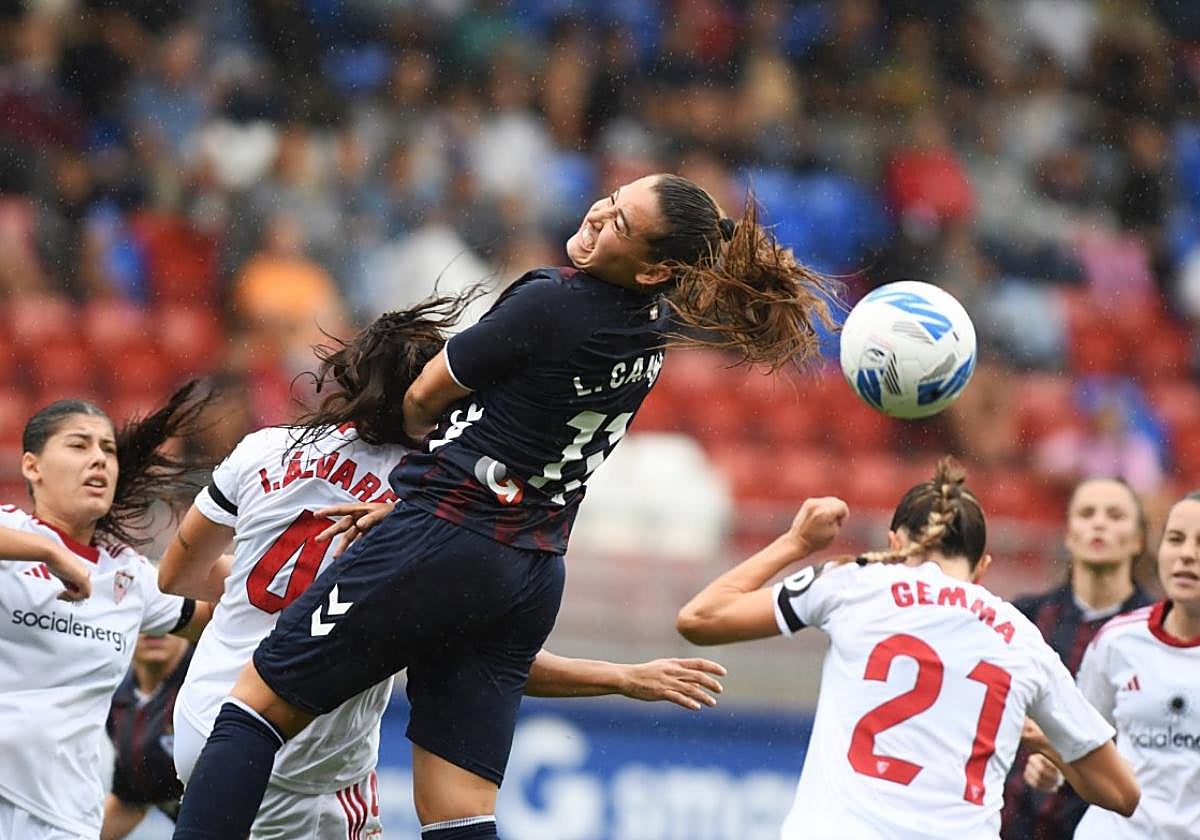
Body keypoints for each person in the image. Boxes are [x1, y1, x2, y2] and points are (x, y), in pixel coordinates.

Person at [172, 172, 837, 840]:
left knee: (253, 706)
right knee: (458, 806)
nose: (599, 215)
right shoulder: (653, 330)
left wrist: (417, 493)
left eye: (621, 223)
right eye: (611, 201)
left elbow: (423, 396)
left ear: (655, 269)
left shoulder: (552, 300)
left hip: (446, 534)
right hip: (531, 570)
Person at [159, 294, 727, 839]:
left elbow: (177, 577)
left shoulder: (265, 448)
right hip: (303, 764)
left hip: (203, 723)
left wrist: (265, 594)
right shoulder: (436, 501)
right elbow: (484, 661)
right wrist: (622, 677)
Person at [675, 458, 1140, 839]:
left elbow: (700, 618)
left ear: (894, 544)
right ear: (982, 567)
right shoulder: (1022, 638)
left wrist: (796, 542)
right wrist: (1044, 741)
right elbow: (1123, 795)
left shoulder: (853, 582)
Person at [0, 384, 215, 840]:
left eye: (108, 450)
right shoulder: (11, 535)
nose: (98, 459)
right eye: (79, 445)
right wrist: (48, 551)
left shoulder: (131, 576)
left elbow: (225, 616)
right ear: (32, 467)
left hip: (67, 818)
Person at [1023, 490, 1200, 839]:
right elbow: (1082, 741)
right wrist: (1055, 767)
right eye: (1176, 539)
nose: (1187, 554)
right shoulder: (1117, 639)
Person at [1000, 478, 1154, 838]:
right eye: (1087, 513)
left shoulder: (1156, 633)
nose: (1099, 523)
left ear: (1138, 540)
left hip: (1109, 825)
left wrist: (1068, 765)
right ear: (1069, 535)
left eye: (1115, 515)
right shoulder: (1023, 620)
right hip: (1012, 822)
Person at [102, 633, 194, 839]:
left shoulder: (213, 683)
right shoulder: (115, 698)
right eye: (149, 618)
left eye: (165, 618)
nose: (156, 629)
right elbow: (129, 801)